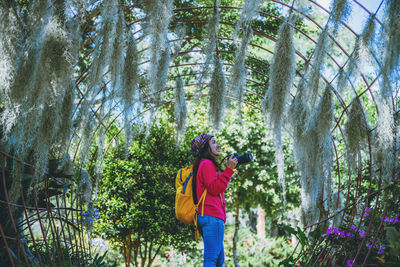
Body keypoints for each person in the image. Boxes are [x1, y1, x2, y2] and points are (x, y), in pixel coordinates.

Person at [190, 133, 238, 267]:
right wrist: (228, 170)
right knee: (211, 259)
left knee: (218, 260)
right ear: (206, 148)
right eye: (213, 142)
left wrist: (227, 171)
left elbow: (213, 186)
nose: (218, 145)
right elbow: (215, 188)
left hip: (208, 216)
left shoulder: (204, 165)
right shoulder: (206, 164)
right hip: (212, 216)